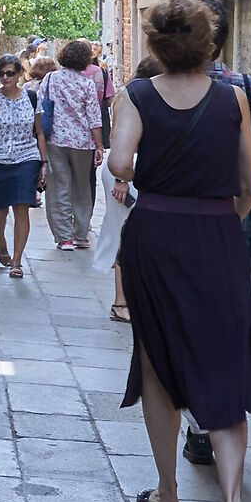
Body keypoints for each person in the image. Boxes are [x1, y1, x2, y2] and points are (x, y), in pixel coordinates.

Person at [106, 0, 251, 502]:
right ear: (208, 42)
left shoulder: (134, 95)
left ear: (156, 44)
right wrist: (219, 222)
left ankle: (168, 493)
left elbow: (116, 163)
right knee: (223, 360)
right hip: (217, 235)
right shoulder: (234, 98)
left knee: (157, 363)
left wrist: (152, 178)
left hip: (155, 233)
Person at [177, 0, 251, 467]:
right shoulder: (247, 87)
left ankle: (198, 425)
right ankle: (220, 417)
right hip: (236, 230)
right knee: (237, 328)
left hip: (180, 232)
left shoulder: (159, 86)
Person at [108, 56, 163, 323]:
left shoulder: (146, 95)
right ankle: (121, 301)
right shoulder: (131, 96)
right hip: (128, 172)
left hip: (139, 172)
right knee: (125, 235)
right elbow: (116, 139)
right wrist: (122, 180)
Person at [0, 53, 44, 275]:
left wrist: (43, 162)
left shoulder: (31, 97)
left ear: (19, 74)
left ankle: (17, 261)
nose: (5, 77)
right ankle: (1, 240)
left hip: (26, 157)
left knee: (21, 208)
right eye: (1, 73)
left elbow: (39, 132)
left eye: (10, 73)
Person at [41, 39, 107, 251]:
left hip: (55, 140)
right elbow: (94, 119)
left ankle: (64, 237)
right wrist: (99, 146)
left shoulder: (50, 79)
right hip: (82, 142)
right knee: (82, 187)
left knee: (59, 186)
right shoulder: (87, 83)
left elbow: (41, 109)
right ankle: (80, 234)